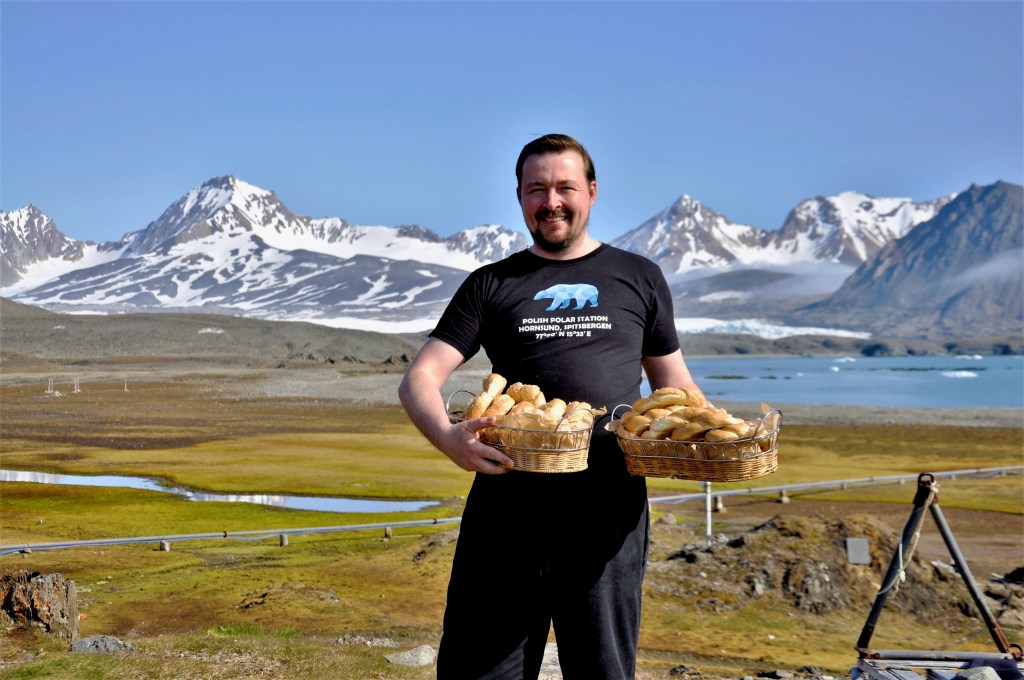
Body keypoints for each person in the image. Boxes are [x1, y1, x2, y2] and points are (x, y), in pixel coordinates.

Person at [398, 133, 703, 679]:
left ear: (591, 191)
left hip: (607, 508)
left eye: (565, 187)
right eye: (537, 189)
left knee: (603, 671)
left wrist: (706, 435)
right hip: (506, 509)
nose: (552, 201)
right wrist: (448, 438)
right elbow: (420, 378)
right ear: (519, 196)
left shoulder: (638, 277)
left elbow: (674, 385)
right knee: (480, 671)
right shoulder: (490, 284)